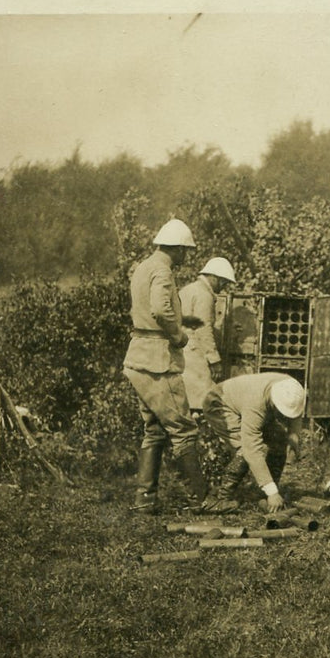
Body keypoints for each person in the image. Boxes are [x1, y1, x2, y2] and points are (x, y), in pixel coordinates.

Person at [123, 218, 208, 513]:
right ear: (178, 248)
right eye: (186, 250)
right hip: (159, 360)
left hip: (138, 357)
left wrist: (183, 318)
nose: (186, 256)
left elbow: (146, 309)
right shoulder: (162, 270)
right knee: (183, 428)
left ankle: (145, 500)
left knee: (155, 429)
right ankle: (201, 500)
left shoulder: (143, 267)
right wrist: (178, 334)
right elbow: (160, 309)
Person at [200, 372, 307, 514]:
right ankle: (219, 498)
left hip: (246, 402)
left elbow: (295, 416)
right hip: (220, 404)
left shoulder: (293, 388)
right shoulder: (256, 404)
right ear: (274, 402)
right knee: (245, 451)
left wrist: (293, 440)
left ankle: (263, 493)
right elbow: (252, 449)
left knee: (279, 439)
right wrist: (272, 492)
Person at [179, 256, 237, 413]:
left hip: (181, 351)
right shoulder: (204, 295)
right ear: (214, 277)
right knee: (203, 400)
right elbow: (204, 329)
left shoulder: (188, 290)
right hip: (194, 355)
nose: (224, 286)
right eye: (223, 281)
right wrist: (214, 360)